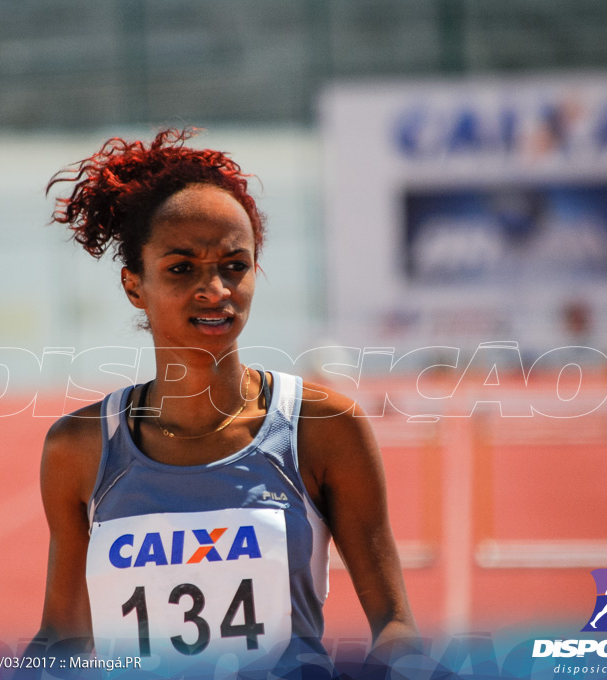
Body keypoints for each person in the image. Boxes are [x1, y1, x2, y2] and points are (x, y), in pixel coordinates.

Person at [29, 129, 416, 677]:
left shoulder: (324, 427)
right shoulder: (79, 448)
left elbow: (396, 626)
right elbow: (63, 640)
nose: (215, 290)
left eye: (234, 265)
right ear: (134, 285)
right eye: (181, 268)